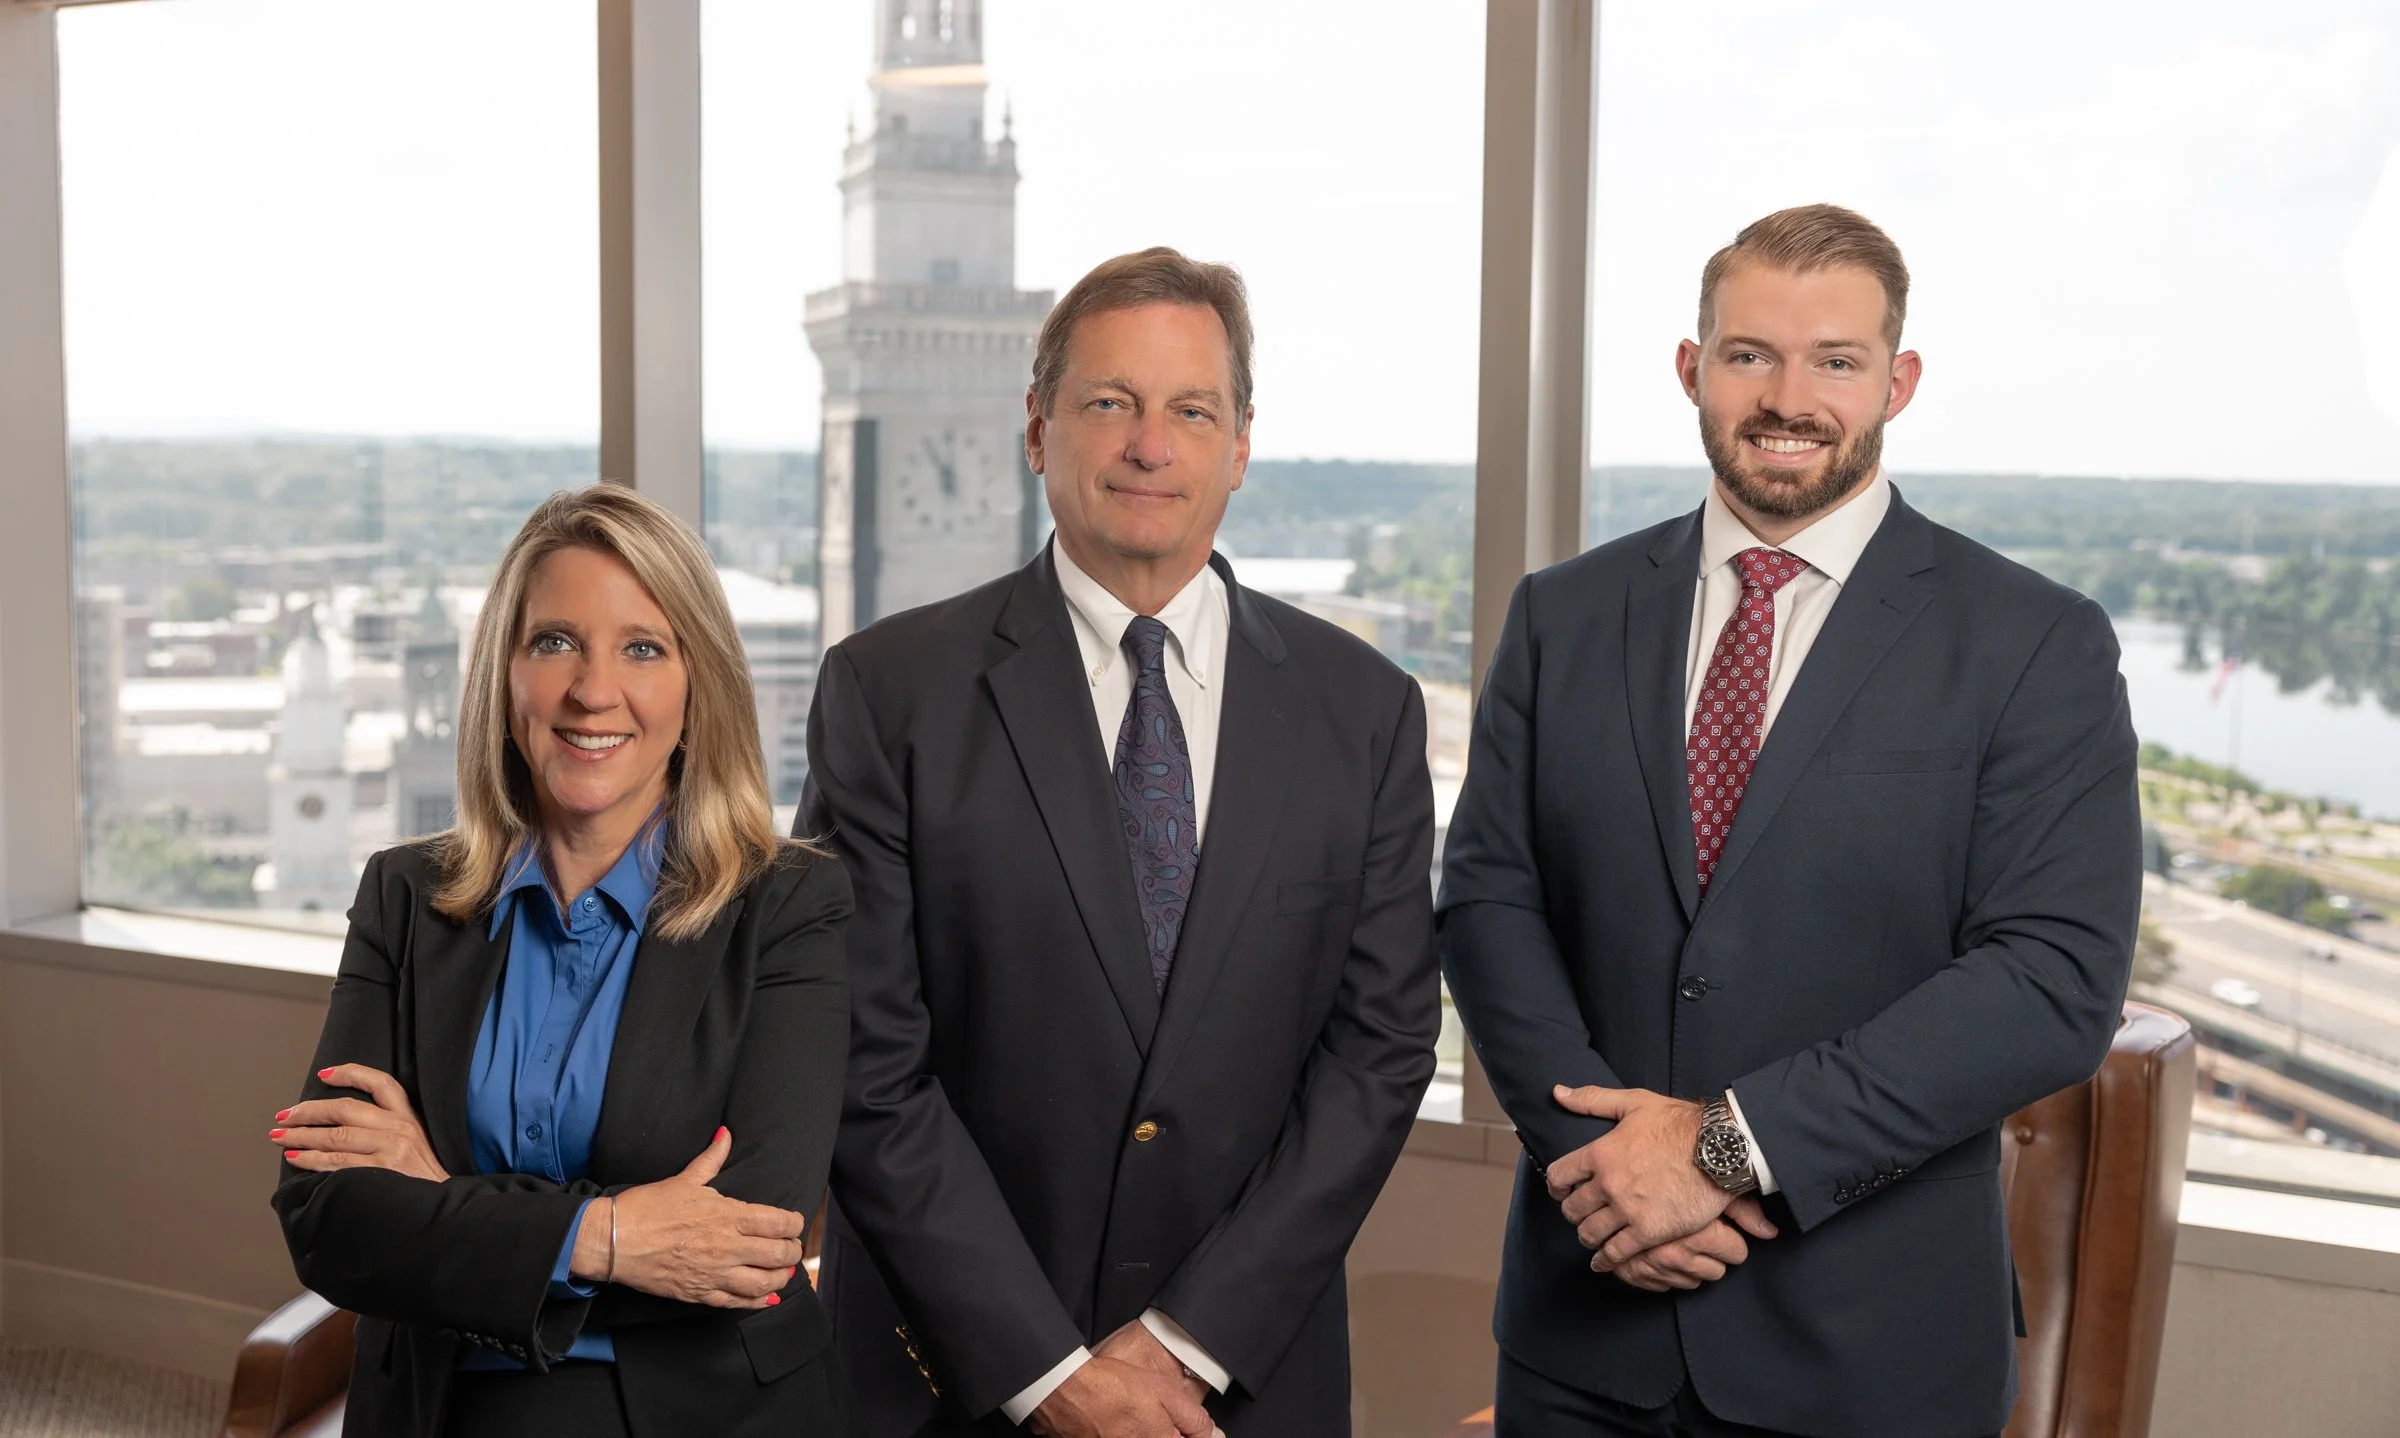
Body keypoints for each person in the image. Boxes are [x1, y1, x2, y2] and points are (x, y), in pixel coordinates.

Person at [1438, 204, 2142, 1438]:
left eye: (1836, 360)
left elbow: (2052, 983)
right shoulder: (1563, 613)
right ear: (1691, 368)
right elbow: (1492, 900)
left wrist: (1714, 1152)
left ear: (1898, 382)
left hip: (1870, 1356)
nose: (1789, 396)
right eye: (1750, 353)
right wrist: (1608, 1176)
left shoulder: (2033, 643)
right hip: (1585, 1327)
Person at [803, 246, 1441, 1437]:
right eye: (1109, 403)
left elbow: (1382, 1050)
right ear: (1038, 429)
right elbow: (864, 1065)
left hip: (1239, 1388)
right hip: (956, 1384)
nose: (1151, 444)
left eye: (1190, 410)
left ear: (1240, 445)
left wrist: (1187, 1342)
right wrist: (1051, 1371)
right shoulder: (889, 694)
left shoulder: (1364, 711)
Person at [269, 485, 852, 1438]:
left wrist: (436, 1200)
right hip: (441, 1397)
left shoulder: (787, 907)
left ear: (697, 683)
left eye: (643, 647)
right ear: (504, 677)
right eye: (554, 643)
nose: (592, 690)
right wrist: (609, 1235)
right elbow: (326, 1219)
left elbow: (747, 1241)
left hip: (696, 1410)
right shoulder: (405, 897)